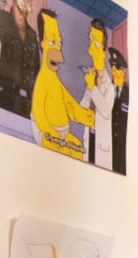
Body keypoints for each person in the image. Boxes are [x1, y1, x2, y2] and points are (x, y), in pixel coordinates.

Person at [29, 8, 93, 160]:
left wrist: (85, 115)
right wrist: (52, 134)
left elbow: (70, 104)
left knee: (79, 150)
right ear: (42, 42)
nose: (57, 48)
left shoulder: (56, 82)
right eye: (52, 42)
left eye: (59, 43)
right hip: (47, 134)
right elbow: (38, 114)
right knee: (60, 151)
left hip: (62, 136)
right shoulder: (42, 81)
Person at [0, 0, 41, 118]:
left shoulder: (32, 36)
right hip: (2, 102)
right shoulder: (1, 22)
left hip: (25, 108)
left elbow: (36, 75)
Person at [79, 19, 116, 172]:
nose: (90, 49)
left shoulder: (110, 86)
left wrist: (91, 87)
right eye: (90, 41)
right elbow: (83, 106)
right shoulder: (91, 78)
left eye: (95, 43)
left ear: (103, 50)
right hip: (89, 138)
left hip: (102, 147)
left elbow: (106, 110)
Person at [108, 48, 129, 174]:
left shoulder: (128, 94)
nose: (114, 71)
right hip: (109, 140)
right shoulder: (107, 90)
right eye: (113, 67)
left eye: (118, 68)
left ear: (123, 72)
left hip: (123, 143)